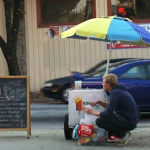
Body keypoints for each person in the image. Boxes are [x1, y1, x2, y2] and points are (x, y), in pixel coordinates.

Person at [84, 74, 140, 143]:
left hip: (129, 122)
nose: (102, 84)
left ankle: (121, 134)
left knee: (100, 121)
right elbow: (111, 107)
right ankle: (120, 132)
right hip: (130, 120)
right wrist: (99, 102)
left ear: (108, 84)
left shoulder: (115, 93)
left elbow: (108, 114)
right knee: (106, 118)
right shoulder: (119, 91)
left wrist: (92, 112)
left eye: (103, 82)